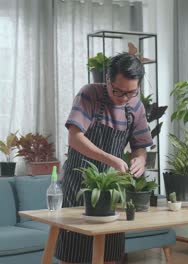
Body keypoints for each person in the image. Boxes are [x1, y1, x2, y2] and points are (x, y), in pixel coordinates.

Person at [55, 53, 153, 264]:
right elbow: (74, 137)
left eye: (131, 92)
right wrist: (111, 159)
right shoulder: (90, 94)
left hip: (112, 190)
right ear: (107, 79)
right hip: (78, 186)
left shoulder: (135, 106)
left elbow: (140, 147)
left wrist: (140, 160)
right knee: (75, 255)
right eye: (118, 91)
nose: (124, 97)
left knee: (110, 254)